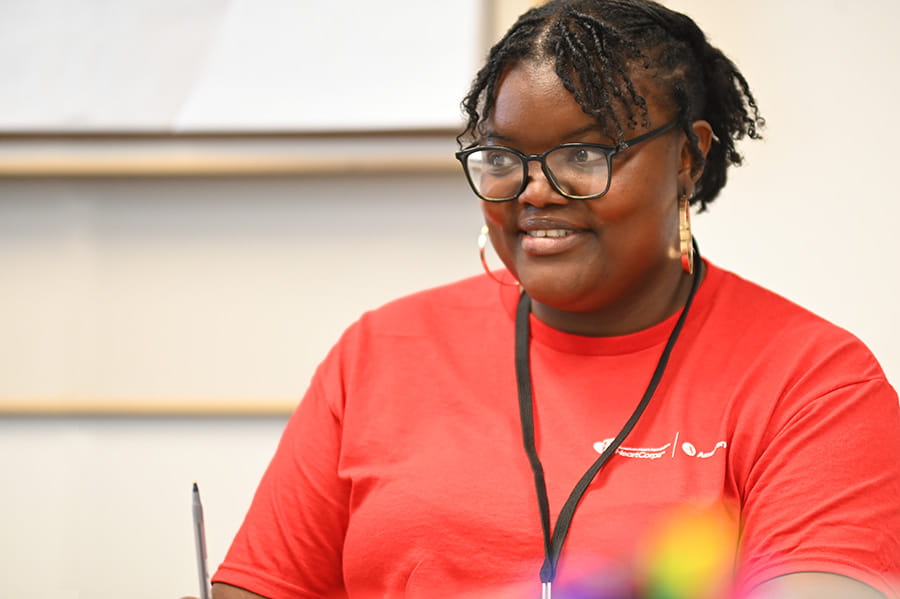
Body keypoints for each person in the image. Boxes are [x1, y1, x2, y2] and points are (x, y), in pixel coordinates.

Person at [205, 1, 900, 597]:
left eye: (584, 155)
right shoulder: (380, 351)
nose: (535, 191)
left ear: (687, 158)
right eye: (504, 158)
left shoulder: (814, 381)